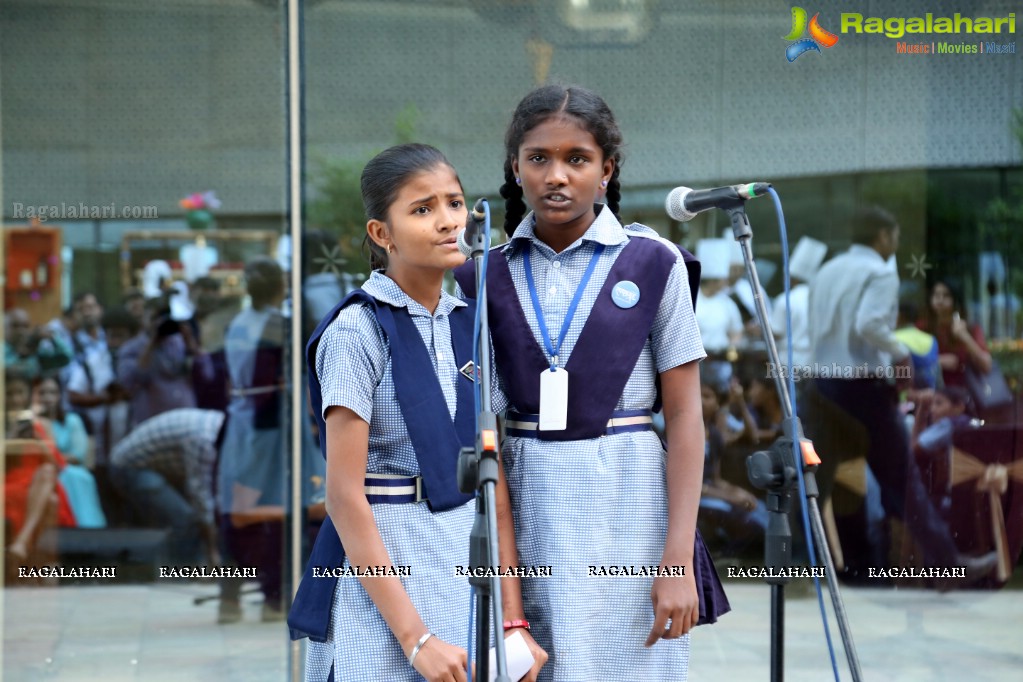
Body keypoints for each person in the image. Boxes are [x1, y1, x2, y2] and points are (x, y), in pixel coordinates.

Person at [454, 84, 727, 681]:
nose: (557, 176)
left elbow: (684, 416)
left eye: (577, 159)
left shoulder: (656, 265)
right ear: (515, 168)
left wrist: (677, 558)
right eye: (539, 159)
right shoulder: (480, 277)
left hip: (629, 505)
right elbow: (481, 428)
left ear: (607, 170)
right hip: (525, 505)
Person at [289, 143, 521, 682]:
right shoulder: (356, 331)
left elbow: (496, 481)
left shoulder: (474, 320)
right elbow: (344, 496)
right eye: (422, 210)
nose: (448, 222)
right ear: (381, 234)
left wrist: (513, 622)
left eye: (455, 203)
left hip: (464, 562)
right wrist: (415, 638)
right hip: (383, 572)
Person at [807, 206, 997, 580]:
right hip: (862, 387)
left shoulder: (826, 271)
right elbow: (869, 324)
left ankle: (803, 567)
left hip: (822, 384)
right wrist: (901, 352)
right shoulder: (879, 272)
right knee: (903, 481)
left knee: (818, 481)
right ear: (881, 237)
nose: (895, 243)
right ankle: (948, 565)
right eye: (893, 236)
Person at [216, 256, 288, 623]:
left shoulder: (237, 323)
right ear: (281, 286)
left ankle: (229, 597)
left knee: (236, 505)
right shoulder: (278, 324)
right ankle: (273, 596)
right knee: (271, 509)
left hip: (240, 417)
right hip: (267, 422)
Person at [107, 408, 225, 565]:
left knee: (195, 516)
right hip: (128, 468)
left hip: (159, 469)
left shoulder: (221, 424)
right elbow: (200, 494)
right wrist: (212, 547)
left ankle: (189, 567)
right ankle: (175, 575)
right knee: (184, 519)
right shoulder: (204, 439)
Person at [4, 371, 77, 567]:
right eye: (9, 393)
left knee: (46, 473)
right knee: (51, 501)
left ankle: (22, 548)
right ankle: (37, 563)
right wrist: (12, 437)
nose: (15, 399)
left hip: (39, 480)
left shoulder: (43, 423)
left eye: (19, 393)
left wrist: (39, 441)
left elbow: (57, 465)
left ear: (28, 395)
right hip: (10, 481)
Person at [34, 375, 107, 529]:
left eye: (52, 393)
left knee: (75, 476)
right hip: (40, 470)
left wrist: (56, 460)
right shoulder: (30, 422)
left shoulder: (72, 420)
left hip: (68, 469)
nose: (48, 398)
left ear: (60, 395)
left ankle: (87, 527)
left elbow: (78, 455)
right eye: (42, 393)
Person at [117, 295, 197, 427]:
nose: (160, 322)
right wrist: (152, 344)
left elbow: (203, 373)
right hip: (150, 420)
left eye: (165, 316)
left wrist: (190, 342)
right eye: (155, 317)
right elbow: (129, 383)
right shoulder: (130, 349)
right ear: (144, 319)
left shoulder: (178, 342)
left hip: (183, 418)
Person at [919, 278, 992, 388]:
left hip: (964, 393)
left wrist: (965, 337)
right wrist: (939, 362)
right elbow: (911, 363)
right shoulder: (923, 327)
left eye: (946, 295)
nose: (940, 299)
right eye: (936, 295)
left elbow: (986, 366)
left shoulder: (970, 328)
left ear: (956, 300)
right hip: (930, 391)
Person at [4, 308, 73, 381]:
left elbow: (65, 357)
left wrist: (52, 337)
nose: (21, 331)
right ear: (5, 328)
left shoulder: (35, 352)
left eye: (25, 326)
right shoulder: (3, 350)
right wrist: (23, 356)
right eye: (15, 326)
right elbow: (8, 369)